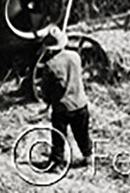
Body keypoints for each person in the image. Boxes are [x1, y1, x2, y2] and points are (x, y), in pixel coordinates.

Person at [39, 25, 92, 171]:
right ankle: (88, 157)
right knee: (82, 133)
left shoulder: (50, 65)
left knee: (59, 136)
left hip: (62, 108)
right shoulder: (75, 57)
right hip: (80, 104)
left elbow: (45, 89)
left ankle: (57, 163)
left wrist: (47, 100)